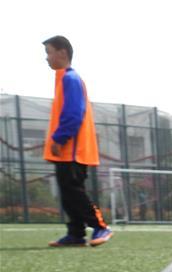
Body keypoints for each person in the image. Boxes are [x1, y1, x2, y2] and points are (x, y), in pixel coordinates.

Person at [42, 35, 112, 247]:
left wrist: (60, 138)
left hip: (72, 149)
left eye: (49, 52)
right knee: (68, 192)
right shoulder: (63, 78)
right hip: (68, 150)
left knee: (73, 191)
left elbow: (74, 112)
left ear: (62, 53)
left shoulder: (70, 79)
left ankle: (100, 226)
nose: (47, 58)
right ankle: (75, 233)